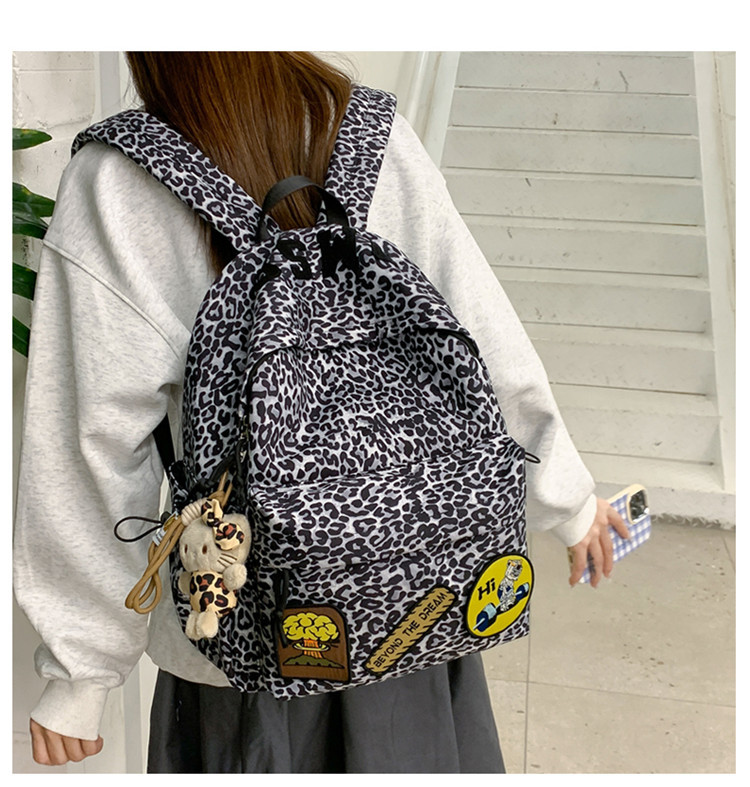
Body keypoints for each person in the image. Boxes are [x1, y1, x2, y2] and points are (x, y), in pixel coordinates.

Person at [14, 51, 629, 773]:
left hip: (241, 649)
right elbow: (482, 344)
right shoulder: (373, 131)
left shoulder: (117, 179)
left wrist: (83, 669)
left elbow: (89, 445)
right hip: (416, 604)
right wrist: (568, 502)